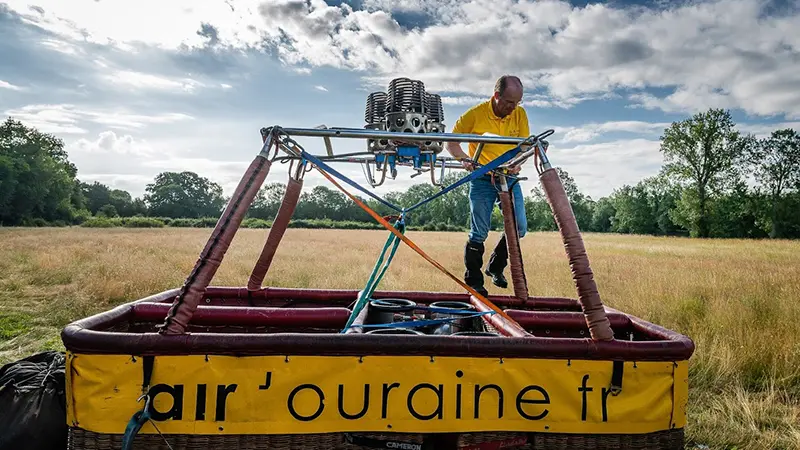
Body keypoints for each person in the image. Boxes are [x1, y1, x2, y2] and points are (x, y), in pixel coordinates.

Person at [445, 75, 530, 297]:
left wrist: (517, 164)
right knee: (479, 231)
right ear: (496, 96)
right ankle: (474, 281)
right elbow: (451, 142)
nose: (514, 108)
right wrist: (465, 159)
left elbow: (522, 148)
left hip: (508, 177)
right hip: (482, 176)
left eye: (517, 103)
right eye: (509, 102)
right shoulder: (474, 115)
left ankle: (495, 267)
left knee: (519, 227)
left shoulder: (519, 114)